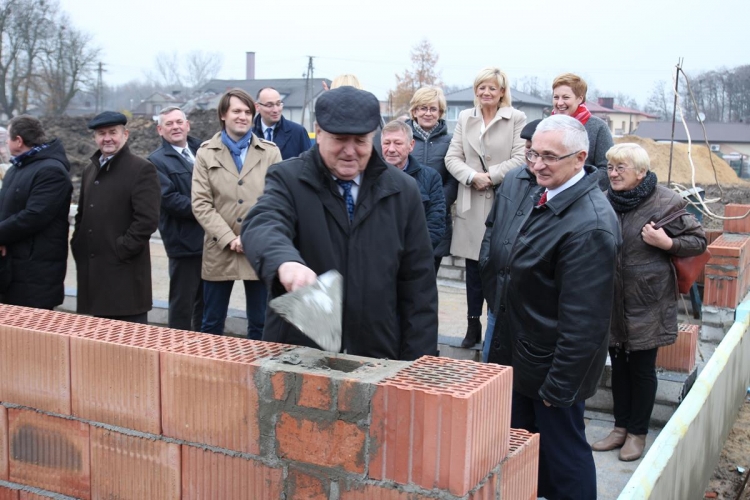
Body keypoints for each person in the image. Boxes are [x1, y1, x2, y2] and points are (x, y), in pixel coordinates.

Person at [242, 86, 437, 361]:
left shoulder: (403, 190)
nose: (350, 151)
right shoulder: (288, 179)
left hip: (376, 355)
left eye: (360, 141)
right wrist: (285, 262)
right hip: (299, 354)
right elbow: (263, 224)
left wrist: (418, 365)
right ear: (318, 132)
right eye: (340, 139)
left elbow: (419, 286)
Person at [483, 115, 620, 499]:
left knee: (565, 459)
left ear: (580, 159)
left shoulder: (590, 224)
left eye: (549, 157)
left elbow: (586, 322)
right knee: (527, 454)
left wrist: (559, 386)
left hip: (552, 373)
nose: (537, 165)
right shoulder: (547, 195)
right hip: (525, 358)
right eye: (533, 154)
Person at [591, 143, 706, 461]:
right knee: (618, 367)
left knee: (641, 369)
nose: (613, 174)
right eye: (610, 167)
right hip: (612, 300)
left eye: (621, 168)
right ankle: (620, 428)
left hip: (648, 301)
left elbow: (698, 240)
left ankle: (637, 433)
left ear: (641, 172)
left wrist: (667, 242)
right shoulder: (603, 200)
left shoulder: (666, 201)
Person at [445, 67, 526, 348]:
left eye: (492, 88)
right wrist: (472, 176)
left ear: (502, 92)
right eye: (481, 87)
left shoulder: (516, 118)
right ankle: (472, 324)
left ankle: (495, 324)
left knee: (498, 264)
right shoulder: (466, 118)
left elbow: (521, 157)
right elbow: (452, 157)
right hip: (472, 198)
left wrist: (490, 176)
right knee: (472, 268)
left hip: (503, 199)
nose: (486, 92)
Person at [191, 88, 282, 339]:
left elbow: (276, 200)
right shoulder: (206, 153)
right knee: (212, 323)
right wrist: (229, 238)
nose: (243, 117)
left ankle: (258, 364)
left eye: (247, 112)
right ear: (223, 114)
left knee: (261, 323)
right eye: (236, 111)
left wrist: (251, 235)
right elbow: (201, 203)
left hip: (258, 248)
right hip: (219, 248)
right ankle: (210, 363)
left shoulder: (270, 152)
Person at [71, 111, 161, 323]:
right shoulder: (90, 170)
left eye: (113, 132)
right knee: (97, 337)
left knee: (128, 338)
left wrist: (122, 249)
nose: (107, 138)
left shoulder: (141, 169)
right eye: (101, 133)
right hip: (95, 276)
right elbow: (82, 214)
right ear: (95, 137)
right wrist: (78, 243)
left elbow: (147, 220)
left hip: (125, 275)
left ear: (125, 134)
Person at [481, 118, 541, 363]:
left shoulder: (555, 187)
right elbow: (492, 226)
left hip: (530, 302)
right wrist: (486, 263)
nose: (531, 154)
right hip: (498, 291)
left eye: (537, 149)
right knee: (491, 367)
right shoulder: (513, 177)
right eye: (527, 147)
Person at [0, 115, 73, 309]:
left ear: (18, 141)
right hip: (13, 267)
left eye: (7, 138)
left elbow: (34, 216)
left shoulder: (51, 171)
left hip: (35, 273)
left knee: (31, 327)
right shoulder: (17, 169)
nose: (5, 143)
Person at [147, 106, 204, 331]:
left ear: (187, 125)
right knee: (183, 303)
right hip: (184, 244)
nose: (175, 127)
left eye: (179, 122)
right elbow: (169, 199)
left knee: (206, 302)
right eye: (169, 124)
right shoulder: (155, 161)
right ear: (160, 130)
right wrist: (208, 210)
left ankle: (202, 343)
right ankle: (177, 344)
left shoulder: (204, 151)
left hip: (210, 241)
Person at [405, 86, 457, 275]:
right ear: (414, 111)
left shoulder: (451, 142)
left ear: (440, 112)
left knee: (428, 278)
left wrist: (436, 203)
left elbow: (453, 181)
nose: (428, 113)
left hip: (436, 220)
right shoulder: (402, 139)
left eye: (433, 109)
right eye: (423, 108)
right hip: (405, 215)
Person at [380, 120, 445, 251]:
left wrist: (413, 254)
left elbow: (435, 223)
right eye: (386, 143)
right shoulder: (370, 176)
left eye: (398, 143)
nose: (391, 149)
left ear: (411, 145)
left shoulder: (431, 177)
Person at [551, 73, 614, 189]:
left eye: (565, 97)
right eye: (556, 97)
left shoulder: (598, 127)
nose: (559, 103)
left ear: (580, 98)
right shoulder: (546, 127)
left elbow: (607, 168)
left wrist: (579, 188)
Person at [252, 87, 311, 160]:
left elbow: (308, 162)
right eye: (269, 105)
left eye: (278, 104)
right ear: (257, 107)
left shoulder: (298, 132)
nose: (276, 110)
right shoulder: (248, 133)